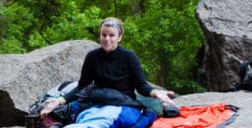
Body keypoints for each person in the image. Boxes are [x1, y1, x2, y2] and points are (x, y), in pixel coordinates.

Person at [40, 17, 176, 117]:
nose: (107, 39)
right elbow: (82, 85)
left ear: (119, 37)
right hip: (99, 101)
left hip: (123, 102)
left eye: (112, 35)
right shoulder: (92, 56)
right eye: (103, 35)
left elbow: (141, 86)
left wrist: (155, 93)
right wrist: (59, 101)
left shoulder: (129, 56)